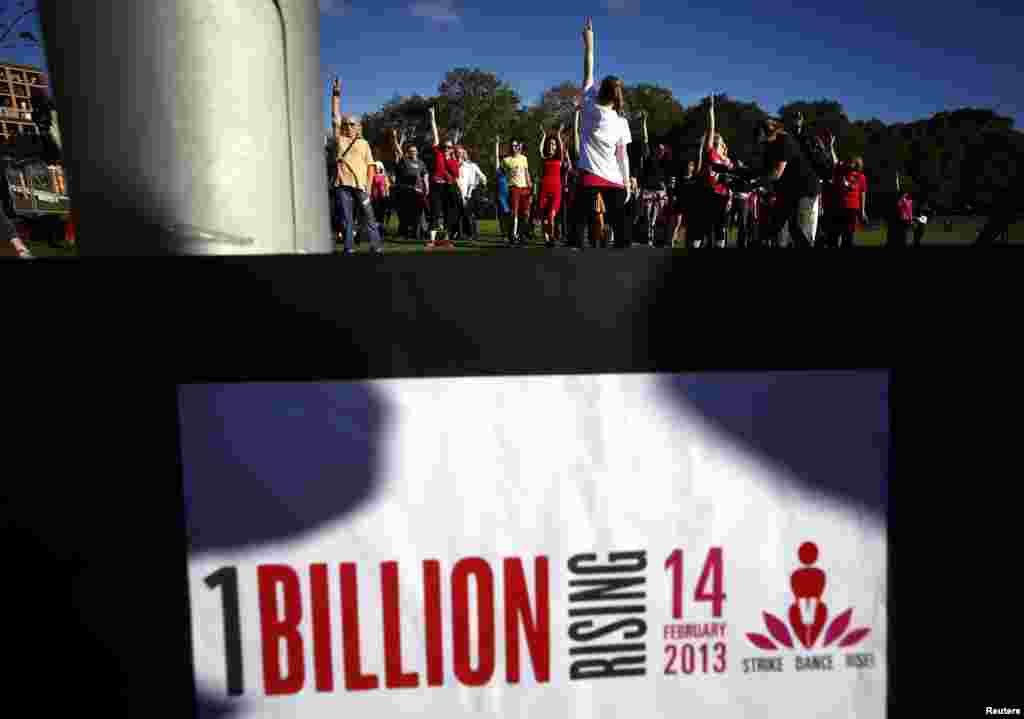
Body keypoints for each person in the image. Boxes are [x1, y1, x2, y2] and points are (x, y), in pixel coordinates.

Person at [571, 16, 633, 250]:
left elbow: (588, 66)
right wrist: (626, 184)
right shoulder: (621, 122)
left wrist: (590, 43)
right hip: (615, 180)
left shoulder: (588, 102)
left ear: (600, 92)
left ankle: (575, 254)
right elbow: (623, 157)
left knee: (578, 224)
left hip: (590, 176)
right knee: (622, 228)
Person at [328, 77, 384, 255]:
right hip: (342, 184)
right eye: (346, 124)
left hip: (361, 185)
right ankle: (348, 247)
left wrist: (368, 185)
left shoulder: (364, 143)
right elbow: (335, 117)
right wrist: (336, 95)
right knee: (347, 218)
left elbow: (371, 166)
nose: (348, 126)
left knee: (369, 217)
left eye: (352, 124)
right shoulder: (340, 140)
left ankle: (376, 246)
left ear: (358, 127)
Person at [756, 116, 820, 248]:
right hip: (788, 190)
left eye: (762, 136)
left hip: (805, 189)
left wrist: (753, 184)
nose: (761, 142)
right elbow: (763, 170)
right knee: (778, 228)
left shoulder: (784, 141)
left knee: (798, 228)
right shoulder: (769, 146)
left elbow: (776, 173)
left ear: (770, 131)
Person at [701, 97, 734, 249]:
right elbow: (711, 130)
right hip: (709, 193)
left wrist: (730, 199)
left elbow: (733, 181)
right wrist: (711, 111)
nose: (715, 144)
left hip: (723, 196)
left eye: (718, 142)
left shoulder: (728, 162)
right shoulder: (711, 154)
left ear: (724, 146)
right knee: (707, 227)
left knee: (721, 228)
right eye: (714, 142)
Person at [426, 107, 460, 248]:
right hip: (436, 185)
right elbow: (435, 134)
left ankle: (446, 240)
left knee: (448, 214)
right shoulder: (437, 153)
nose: (446, 148)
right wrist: (432, 116)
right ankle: (432, 240)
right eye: (445, 146)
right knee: (435, 212)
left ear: (452, 148)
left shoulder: (454, 161)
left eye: (449, 147)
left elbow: (456, 176)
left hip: (448, 187)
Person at [391, 129, 430, 242]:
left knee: (418, 213)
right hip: (406, 191)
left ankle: (418, 232)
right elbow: (398, 150)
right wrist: (394, 138)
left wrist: (426, 186)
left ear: (417, 152)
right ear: (408, 152)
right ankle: (404, 232)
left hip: (418, 192)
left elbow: (425, 175)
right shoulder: (405, 160)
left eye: (414, 151)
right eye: (411, 151)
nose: (413, 152)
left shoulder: (421, 163)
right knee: (405, 212)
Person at [537, 124, 569, 248]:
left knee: (551, 216)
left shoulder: (559, 158)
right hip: (544, 190)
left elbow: (561, 148)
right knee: (544, 219)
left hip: (556, 190)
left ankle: (551, 237)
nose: (552, 146)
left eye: (554, 145)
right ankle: (547, 239)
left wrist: (558, 136)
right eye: (550, 144)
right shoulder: (544, 158)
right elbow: (540, 150)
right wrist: (544, 137)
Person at [830, 151, 869, 249]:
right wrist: (831, 147)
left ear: (857, 164)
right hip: (839, 207)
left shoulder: (861, 177)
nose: (849, 164)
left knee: (848, 236)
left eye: (852, 162)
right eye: (849, 161)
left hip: (852, 209)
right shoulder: (841, 171)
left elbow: (863, 194)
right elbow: (835, 161)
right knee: (835, 235)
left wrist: (863, 211)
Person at [501, 137, 533, 245]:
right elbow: (500, 173)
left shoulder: (524, 158)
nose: (514, 147)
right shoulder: (506, 160)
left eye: (516, 145)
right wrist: (508, 174)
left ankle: (522, 235)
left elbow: (526, 173)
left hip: (524, 188)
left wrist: (530, 186)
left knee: (524, 213)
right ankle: (512, 236)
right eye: (512, 146)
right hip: (513, 188)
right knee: (513, 213)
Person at [456, 145, 487, 243]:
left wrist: (474, 188)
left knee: (469, 214)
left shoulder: (470, 166)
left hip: (469, 192)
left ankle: (472, 234)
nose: (460, 155)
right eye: (458, 153)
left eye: (462, 153)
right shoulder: (454, 164)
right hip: (457, 191)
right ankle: (460, 234)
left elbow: (480, 179)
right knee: (459, 214)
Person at [494, 137, 513, 243]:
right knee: (502, 215)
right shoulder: (498, 170)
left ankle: (510, 233)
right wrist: (497, 144)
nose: (503, 161)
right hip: (501, 196)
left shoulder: (510, 170)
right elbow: (496, 157)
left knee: (509, 215)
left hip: (509, 194)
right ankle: (504, 234)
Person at [369, 161, 390, 238]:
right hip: (374, 198)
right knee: (375, 215)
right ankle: (376, 232)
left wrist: (387, 195)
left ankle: (381, 232)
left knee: (381, 215)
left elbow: (387, 186)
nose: (375, 169)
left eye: (376, 167)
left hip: (382, 198)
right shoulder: (372, 176)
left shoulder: (384, 176)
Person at [891, 177, 913, 247]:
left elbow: (909, 211)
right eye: (904, 193)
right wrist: (901, 199)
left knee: (904, 234)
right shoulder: (902, 200)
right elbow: (898, 205)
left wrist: (911, 219)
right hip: (901, 219)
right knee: (901, 234)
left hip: (905, 220)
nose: (905, 194)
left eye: (906, 194)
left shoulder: (909, 201)